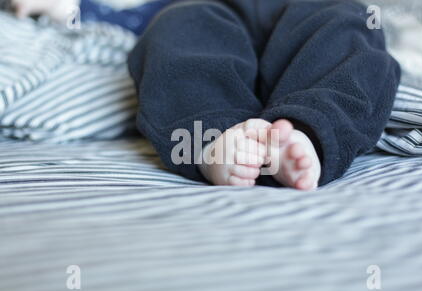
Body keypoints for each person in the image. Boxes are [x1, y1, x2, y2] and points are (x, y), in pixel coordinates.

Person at [13, 0, 401, 190]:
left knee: (350, 23)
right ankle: (216, 139)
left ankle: (306, 131)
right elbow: (114, 19)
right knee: (177, 30)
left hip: (306, 10)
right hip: (207, 10)